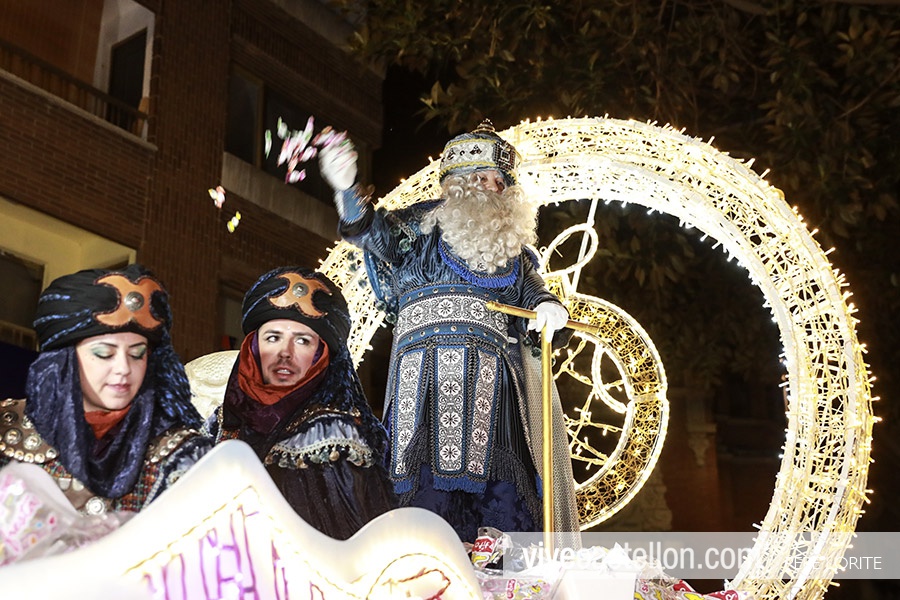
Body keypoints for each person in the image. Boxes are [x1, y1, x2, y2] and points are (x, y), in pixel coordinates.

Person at [318, 120, 580, 542]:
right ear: (456, 184)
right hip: (421, 382)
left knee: (503, 504)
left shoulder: (514, 252)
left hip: (494, 390)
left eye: (499, 182)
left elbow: (534, 291)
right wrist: (347, 190)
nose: (491, 188)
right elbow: (370, 232)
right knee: (420, 501)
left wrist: (548, 307)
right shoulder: (419, 225)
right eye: (481, 178)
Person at [0, 264, 211, 519]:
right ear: (63, 360)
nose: (124, 368)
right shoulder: (6, 431)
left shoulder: (183, 453)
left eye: (137, 354)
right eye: (104, 353)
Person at [203, 266, 397, 540]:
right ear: (253, 347)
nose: (285, 352)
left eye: (302, 341)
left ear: (321, 355)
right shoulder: (221, 423)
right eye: (273, 337)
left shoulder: (332, 436)